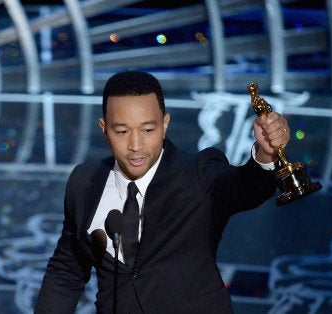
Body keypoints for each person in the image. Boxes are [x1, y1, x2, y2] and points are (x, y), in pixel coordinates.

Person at [35, 70, 290, 313]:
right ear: (104, 129)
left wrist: (265, 155)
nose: (135, 145)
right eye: (122, 131)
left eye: (148, 130)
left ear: (165, 124)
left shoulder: (199, 174)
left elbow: (246, 187)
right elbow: (66, 271)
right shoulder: (84, 181)